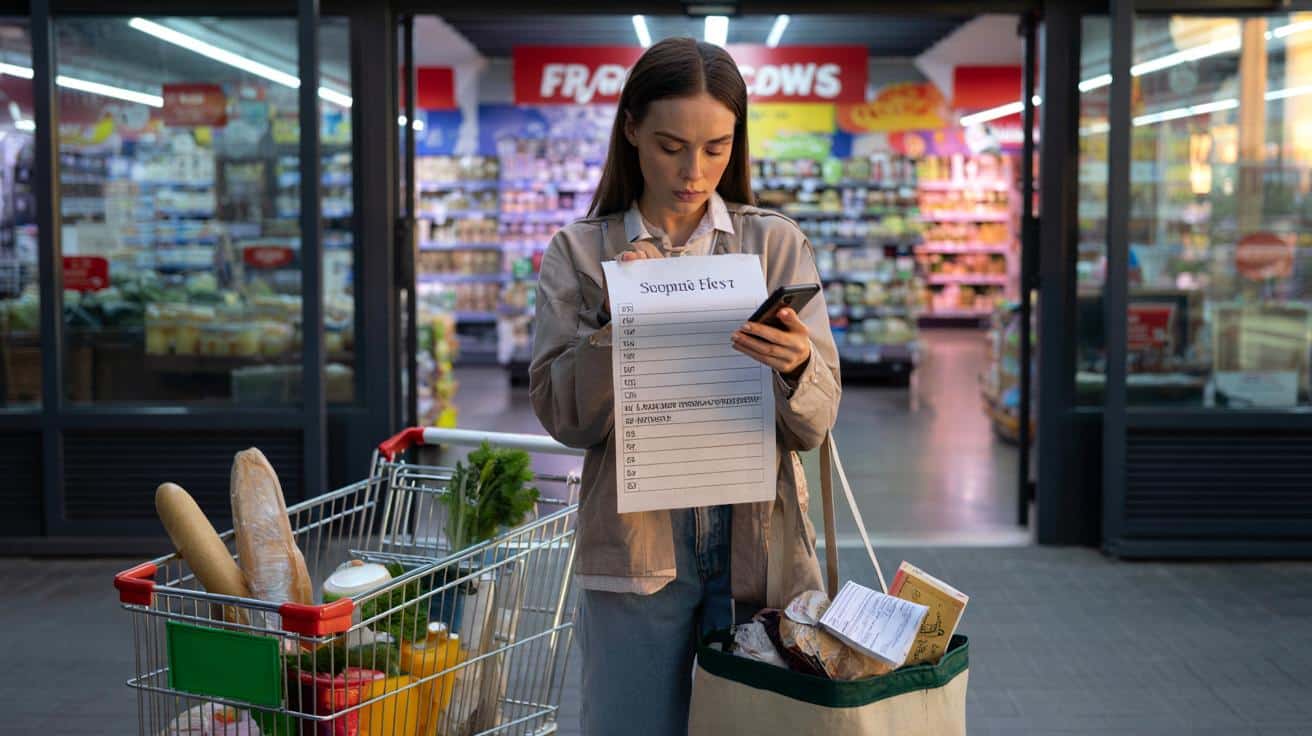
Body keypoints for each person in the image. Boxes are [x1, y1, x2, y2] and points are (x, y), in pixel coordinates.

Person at [529, 38, 841, 736]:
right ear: (631, 128)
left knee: (764, 726)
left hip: (759, 542)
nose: (694, 172)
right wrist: (616, 323)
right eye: (671, 145)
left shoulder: (774, 246)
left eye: (716, 148)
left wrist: (795, 368)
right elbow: (561, 414)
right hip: (637, 549)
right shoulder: (581, 255)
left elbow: (816, 421)